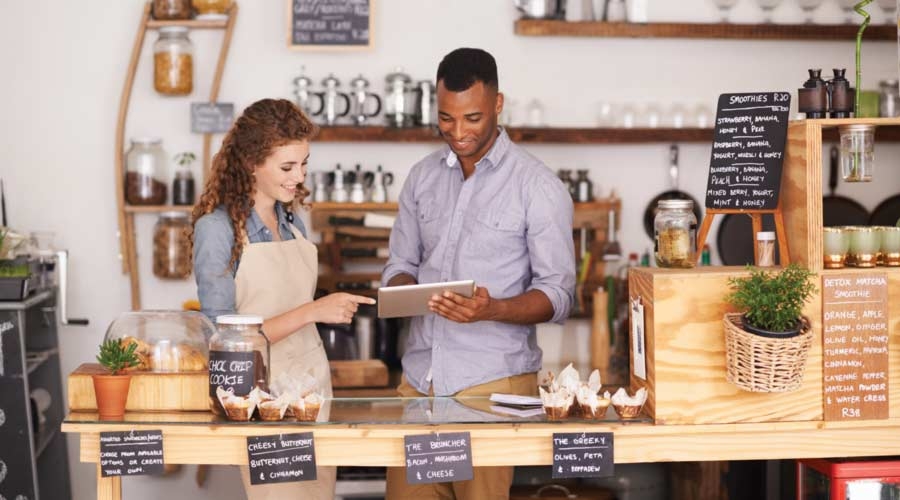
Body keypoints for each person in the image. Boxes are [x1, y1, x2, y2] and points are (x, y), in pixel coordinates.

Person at [381, 48, 576, 500]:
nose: (458, 132)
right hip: (418, 387)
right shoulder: (422, 177)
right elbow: (400, 266)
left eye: (472, 118)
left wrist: (493, 309)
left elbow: (559, 294)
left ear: (498, 104)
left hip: (492, 389)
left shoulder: (537, 186)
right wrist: (405, 292)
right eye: (446, 119)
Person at [191, 98, 374, 500]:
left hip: (311, 387)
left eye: (304, 164)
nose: (299, 177)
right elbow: (224, 344)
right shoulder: (217, 230)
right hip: (262, 396)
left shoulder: (293, 222)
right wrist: (313, 311)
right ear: (252, 163)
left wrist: (320, 312)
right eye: (288, 167)